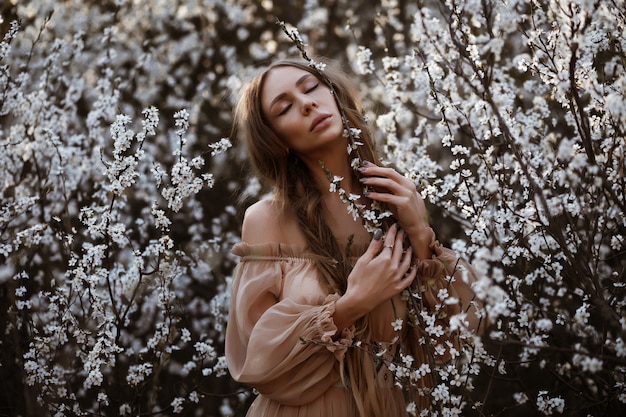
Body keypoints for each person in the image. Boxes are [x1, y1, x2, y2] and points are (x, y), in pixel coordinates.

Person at [225, 58, 483, 417]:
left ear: (336, 96)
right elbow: (261, 362)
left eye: (311, 87)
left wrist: (421, 233)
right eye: (284, 107)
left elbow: (450, 342)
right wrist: (352, 305)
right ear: (278, 142)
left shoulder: (394, 202)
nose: (306, 104)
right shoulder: (267, 220)